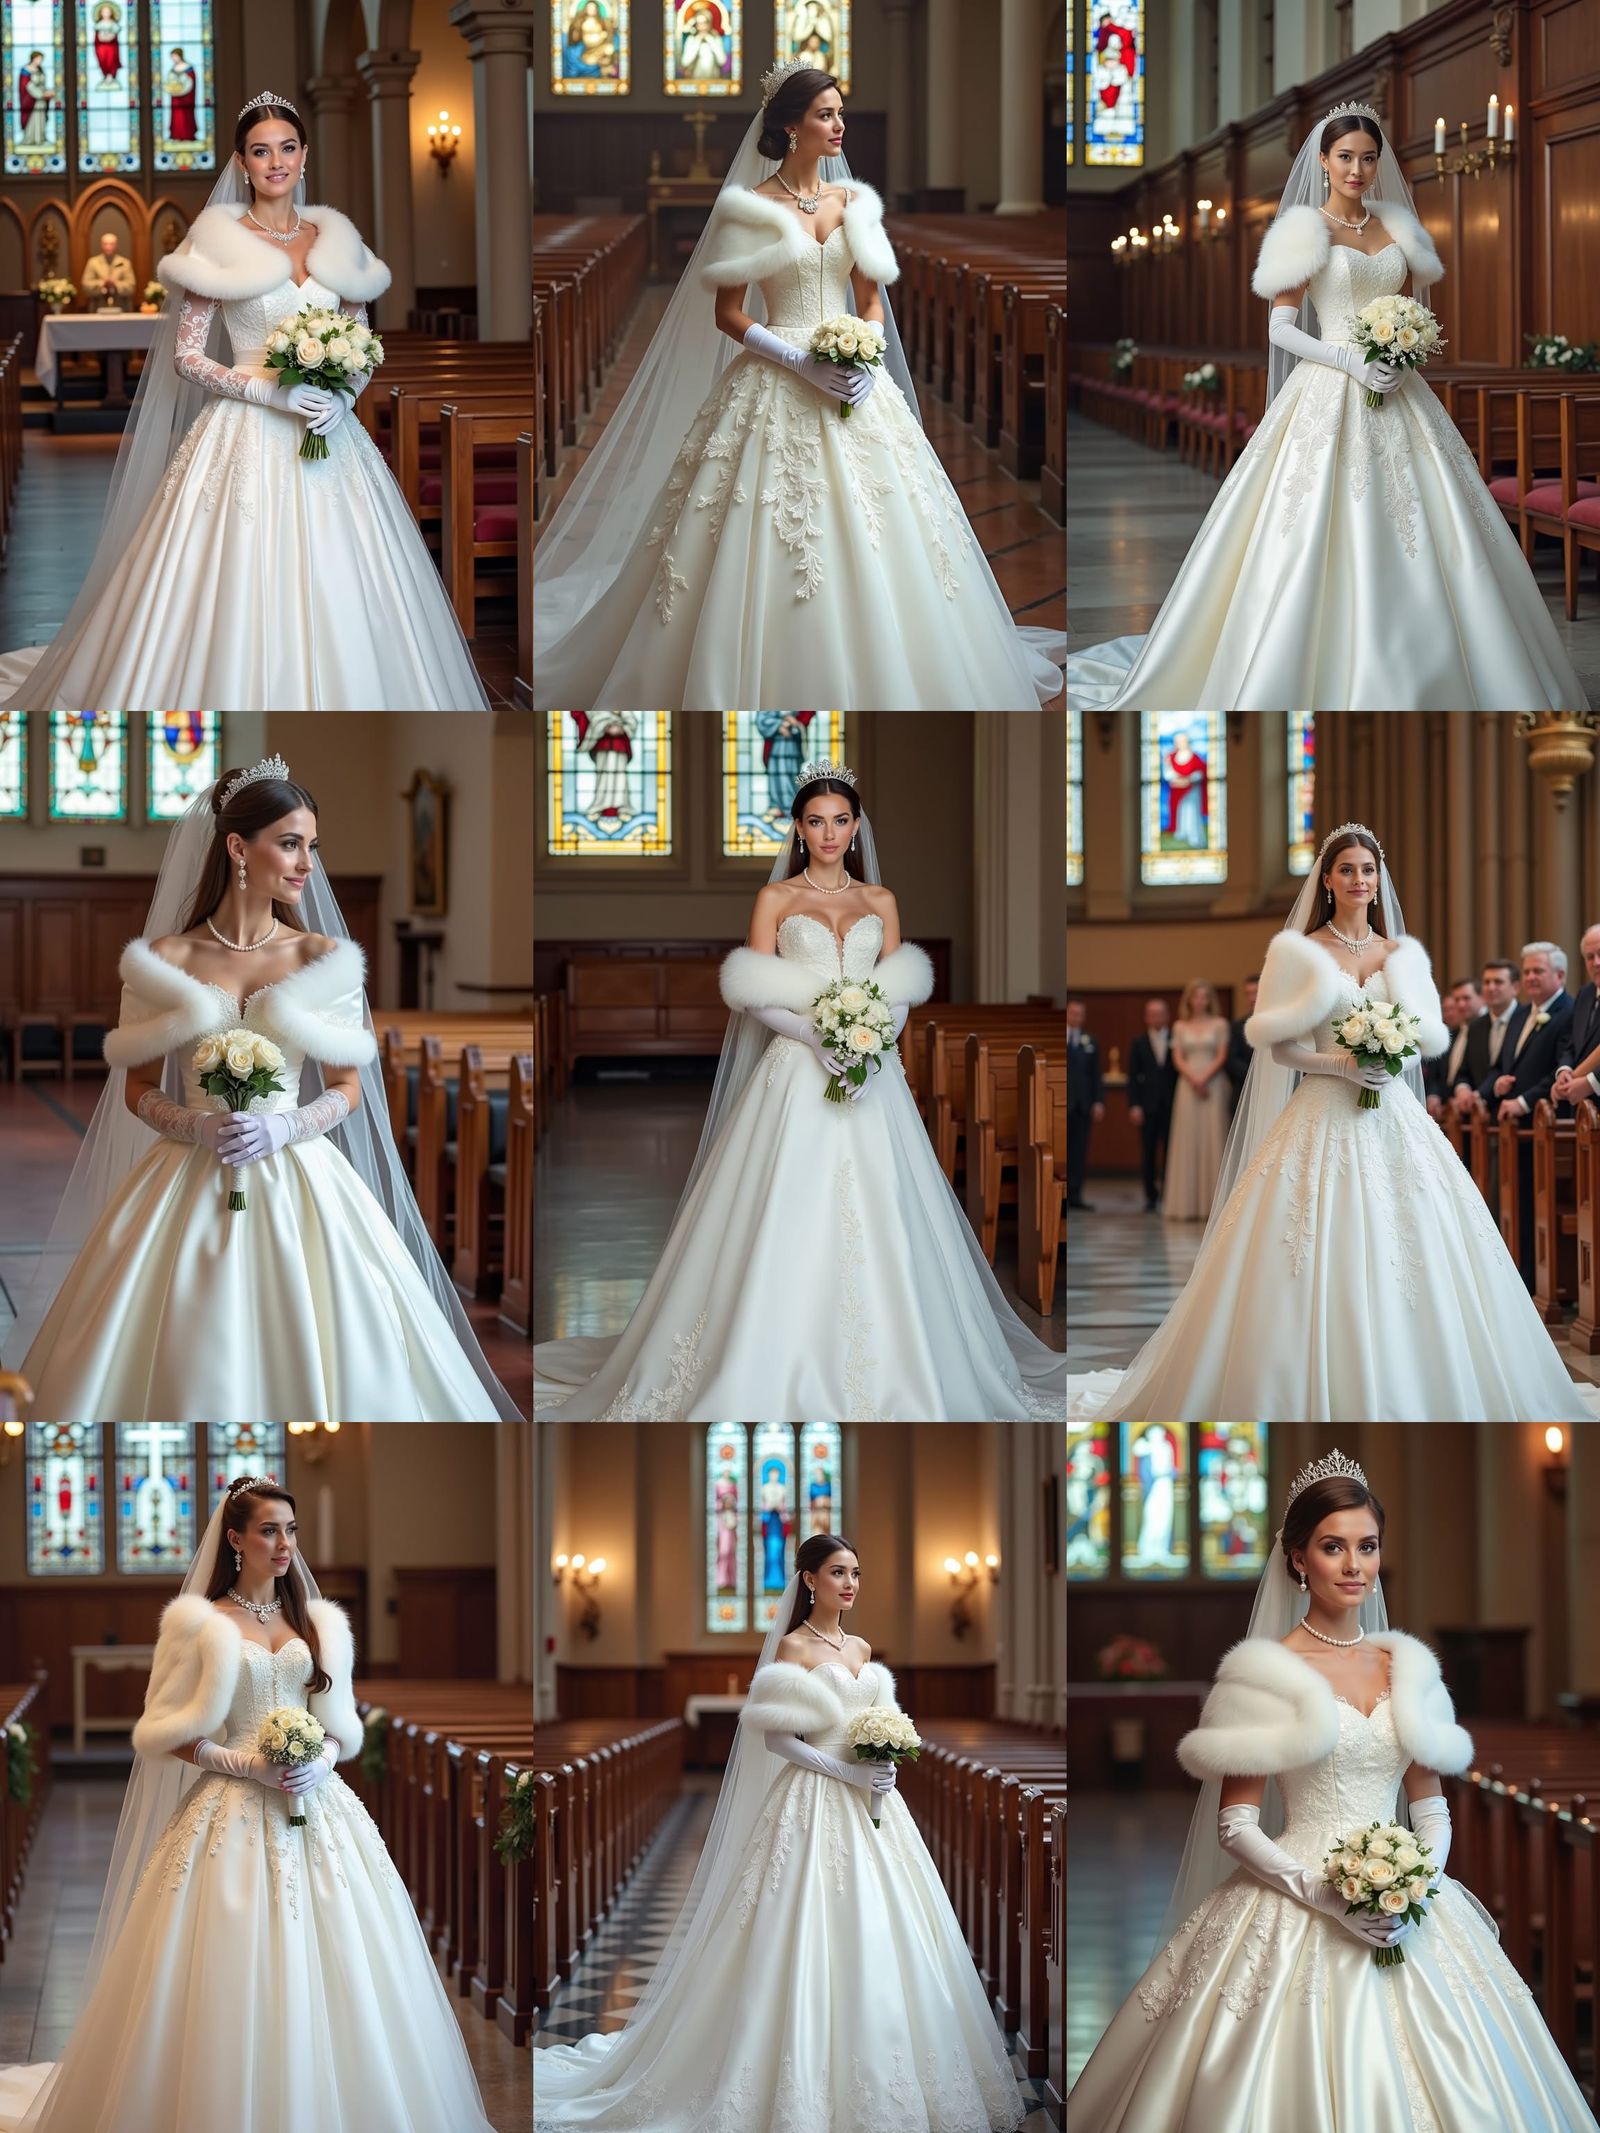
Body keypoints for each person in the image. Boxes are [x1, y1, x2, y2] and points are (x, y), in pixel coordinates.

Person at [1068, 1453, 1600, 2132]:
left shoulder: (1406, 1666)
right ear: (1297, 1559)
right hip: (1295, 1896)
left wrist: (1415, 1888)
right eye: (1332, 1546)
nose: (1353, 1564)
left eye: (1367, 1546)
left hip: (1407, 1907)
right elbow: (1236, 1823)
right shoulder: (1266, 1672)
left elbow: (1431, 1807)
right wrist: (1324, 1895)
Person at [534, 759, 1064, 1419]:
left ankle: (905, 1362)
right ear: (798, 827)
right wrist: (819, 1040)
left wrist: (871, 1040)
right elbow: (753, 990)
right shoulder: (776, 900)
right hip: (796, 1068)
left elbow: (898, 987)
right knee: (784, 1210)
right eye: (817, 821)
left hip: (873, 1079)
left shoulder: (881, 901)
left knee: (887, 1216)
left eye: (841, 820)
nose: (830, 832)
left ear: (857, 824)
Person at [532, 56, 1066, 711]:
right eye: (825, 114)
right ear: (790, 125)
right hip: (775, 374)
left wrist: (865, 354)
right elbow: (728, 312)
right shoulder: (749, 209)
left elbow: (869, 299)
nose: (840, 124)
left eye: (840, 112)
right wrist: (798, 361)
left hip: (853, 384)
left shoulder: (855, 203)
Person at [2, 755, 519, 1421]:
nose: (308, 863)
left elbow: (346, 1086)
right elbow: (134, 1086)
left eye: (313, 845)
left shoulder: (324, 960)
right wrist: (196, 1125)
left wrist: (286, 1125)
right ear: (239, 848)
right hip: (187, 1174)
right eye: (291, 843)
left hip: (298, 1175)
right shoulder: (163, 960)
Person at [0, 1476, 496, 2133]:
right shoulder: (200, 1624)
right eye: (269, 1528)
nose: (284, 1541)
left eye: (290, 1528)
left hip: (317, 1808)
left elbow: (343, 1724)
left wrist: (320, 1759)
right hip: (227, 1810)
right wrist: (241, 1762)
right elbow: (163, 1731)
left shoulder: (318, 1623)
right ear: (235, 1538)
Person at [1067, 824, 1600, 1421]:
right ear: (1327, 879)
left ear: (1378, 882)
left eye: (1367, 871)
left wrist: (1390, 1055)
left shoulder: (1400, 954)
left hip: (1392, 1115)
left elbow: (1429, 1038)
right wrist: (1341, 1065)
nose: (1358, 880)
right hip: (1322, 1106)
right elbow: (1278, 1047)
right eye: (1346, 869)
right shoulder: (1298, 952)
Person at [1067, 102, 1587, 712]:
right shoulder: (1302, 230)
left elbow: (1408, 314)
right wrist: (1348, 361)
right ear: (1323, 160)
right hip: (1329, 384)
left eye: (1368, 158)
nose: (1358, 170)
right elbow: (1280, 330)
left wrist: (1399, 354)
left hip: (1397, 390)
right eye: (1346, 157)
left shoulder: (1398, 228)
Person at [0, 92, 488, 712]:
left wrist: (343, 401)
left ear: (305, 156)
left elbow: (362, 341)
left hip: (329, 432)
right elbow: (188, 354)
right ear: (242, 162)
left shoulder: (336, 240)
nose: (275, 162)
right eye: (261, 151)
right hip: (245, 429)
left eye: (287, 148)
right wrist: (266, 389)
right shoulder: (219, 243)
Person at [532, 1534, 1027, 2132]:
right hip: (814, 1799)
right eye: (838, 1572)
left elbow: (877, 1722)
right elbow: (776, 1740)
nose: (850, 1583)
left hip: (874, 1806)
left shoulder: (863, 1646)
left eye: (857, 1572)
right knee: (795, 1929)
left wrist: (884, 1761)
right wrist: (844, 1768)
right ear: (809, 1580)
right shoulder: (792, 1649)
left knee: (890, 1927)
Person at [1475, 941, 1571, 1288]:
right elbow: (1502, 1065)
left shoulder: (1567, 1013)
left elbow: (1560, 1069)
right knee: (1516, 1204)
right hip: (1515, 1129)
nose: (1530, 977)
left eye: (1537, 971)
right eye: (1527, 970)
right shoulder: (1520, 1016)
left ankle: (1534, 1279)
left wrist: (1525, 1101)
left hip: (1545, 1124)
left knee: (1534, 1206)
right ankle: (1520, 1273)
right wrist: (1495, 1086)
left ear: (1559, 975)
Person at [1161, 980, 1232, 1220]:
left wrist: (1205, 1078)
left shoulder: (1220, 1024)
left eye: (1204, 997)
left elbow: (1222, 1055)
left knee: (1213, 1137)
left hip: (1213, 1084)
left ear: (1210, 999)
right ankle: (1186, 1205)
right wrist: (1193, 1078)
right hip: (1187, 1086)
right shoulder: (1179, 1026)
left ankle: (1211, 1204)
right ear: (1189, 1000)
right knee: (1187, 1139)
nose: (1200, 1001)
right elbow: (1178, 1058)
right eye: (1196, 997)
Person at [1126, 997, 1177, 1211]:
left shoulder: (1177, 1038)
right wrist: (1134, 1105)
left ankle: (1168, 1193)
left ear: (1167, 1015)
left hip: (1172, 1104)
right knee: (1148, 1152)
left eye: (1160, 1013)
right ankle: (1150, 1195)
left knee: (1170, 1151)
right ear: (1146, 1017)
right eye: (1152, 1014)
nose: (1156, 1017)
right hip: (1147, 1106)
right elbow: (1133, 1076)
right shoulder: (1138, 1042)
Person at [1066, 999, 1103, 1211]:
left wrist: (1098, 1101)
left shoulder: (1090, 1041)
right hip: (1064, 1103)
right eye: (1073, 1013)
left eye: (1080, 1014)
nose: (1076, 1017)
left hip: (1083, 1103)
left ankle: (1077, 1194)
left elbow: (1096, 1074)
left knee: (1080, 1151)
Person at [1223, 974, 1258, 1099]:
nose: (1252, 998)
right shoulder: (1237, 1025)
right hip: (1244, 1089)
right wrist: (1254, 1076)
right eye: (1248, 993)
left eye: (1256, 992)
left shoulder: (1279, 1023)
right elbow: (1232, 1059)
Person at [80, 230, 135, 307]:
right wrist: (103, 283)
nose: (108, 247)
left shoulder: (125, 263)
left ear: (116, 246)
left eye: (111, 244)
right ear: (101, 245)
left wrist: (115, 284)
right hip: (98, 306)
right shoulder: (93, 262)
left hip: (121, 306)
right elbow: (86, 285)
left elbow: (131, 287)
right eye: (105, 244)